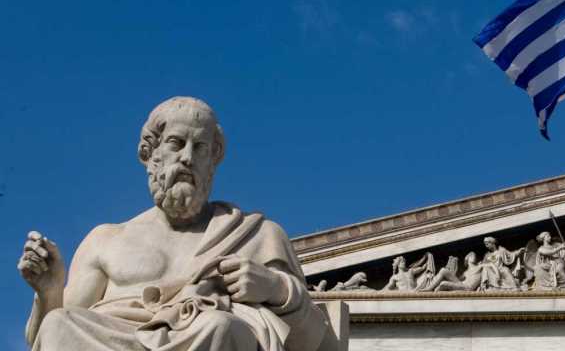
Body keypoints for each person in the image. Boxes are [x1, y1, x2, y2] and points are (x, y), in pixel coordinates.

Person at [17, 97, 331, 351]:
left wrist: (276, 288)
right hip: (114, 342)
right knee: (60, 323)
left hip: (202, 338)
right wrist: (49, 290)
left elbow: (316, 342)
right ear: (150, 155)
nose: (187, 157)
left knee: (219, 327)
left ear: (212, 162)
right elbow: (49, 335)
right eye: (176, 143)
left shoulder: (257, 235)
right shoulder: (106, 240)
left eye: (201, 148)